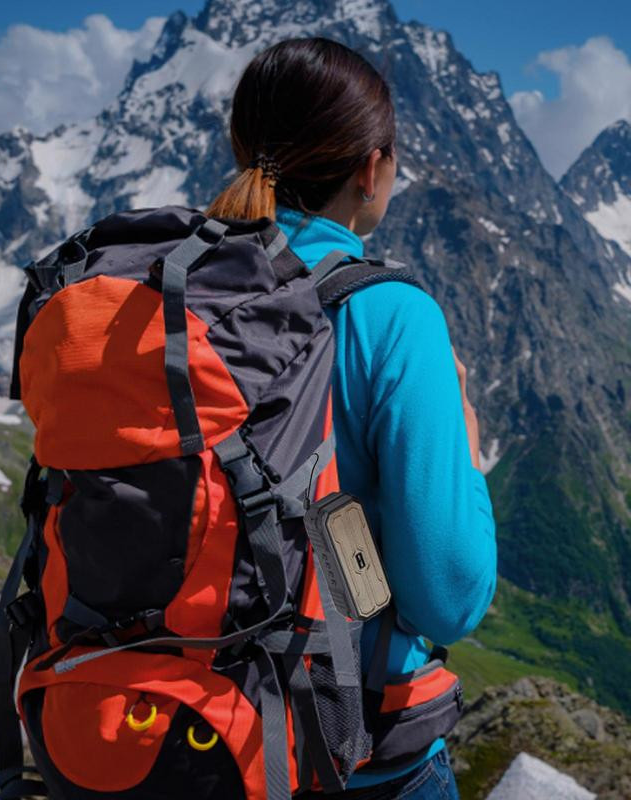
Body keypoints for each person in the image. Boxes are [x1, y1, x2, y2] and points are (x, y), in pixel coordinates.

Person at [206, 37, 497, 799]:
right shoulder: (392, 314)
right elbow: (450, 596)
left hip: (188, 729)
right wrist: (466, 452)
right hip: (353, 754)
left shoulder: (169, 301)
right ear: (372, 169)